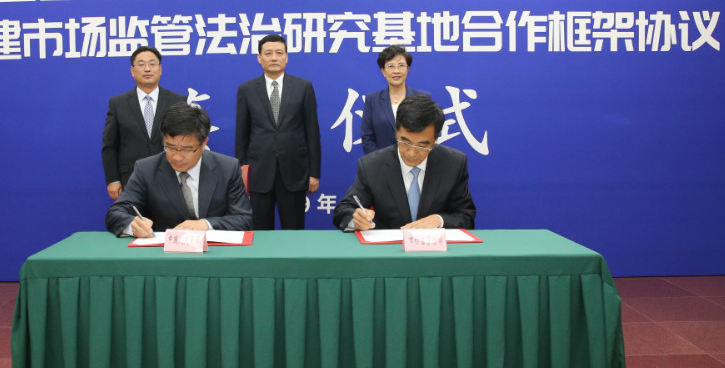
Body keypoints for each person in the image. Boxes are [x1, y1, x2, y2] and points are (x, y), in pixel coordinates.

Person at [106, 103, 252, 237]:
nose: (177, 157)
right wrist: (132, 225)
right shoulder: (146, 169)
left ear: (203, 143)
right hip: (164, 252)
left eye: (186, 149)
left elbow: (243, 219)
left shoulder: (227, 168)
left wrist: (206, 224)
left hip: (215, 251)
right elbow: (115, 213)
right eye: (170, 147)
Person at [333, 94, 476, 231]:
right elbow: (344, 210)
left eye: (422, 146)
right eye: (405, 142)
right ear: (396, 132)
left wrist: (439, 220)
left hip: (434, 246)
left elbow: (466, 216)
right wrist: (357, 219)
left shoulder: (453, 164)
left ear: (435, 139)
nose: (411, 153)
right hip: (388, 246)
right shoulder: (372, 165)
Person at [235, 33, 321, 230]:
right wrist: (242, 173)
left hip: (294, 171)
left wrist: (314, 173)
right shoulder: (246, 89)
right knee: (260, 232)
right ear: (259, 58)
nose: (274, 58)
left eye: (279, 53)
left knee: (294, 231)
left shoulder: (303, 87)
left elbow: (312, 132)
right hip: (258, 172)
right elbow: (242, 135)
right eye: (268, 53)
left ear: (286, 57)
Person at [101, 46, 187, 201]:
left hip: (170, 175)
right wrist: (113, 180)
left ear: (160, 69)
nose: (147, 69)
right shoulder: (118, 103)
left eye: (152, 64)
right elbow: (110, 146)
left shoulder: (177, 101)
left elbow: (185, 141)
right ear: (132, 71)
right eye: (141, 64)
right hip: (131, 178)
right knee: (136, 216)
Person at [360, 44, 428, 154]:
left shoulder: (422, 98)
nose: (396, 71)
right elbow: (367, 138)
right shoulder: (372, 100)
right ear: (383, 71)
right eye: (391, 66)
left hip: (415, 159)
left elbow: (429, 135)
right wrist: (379, 161)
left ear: (407, 69)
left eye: (401, 65)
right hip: (381, 162)